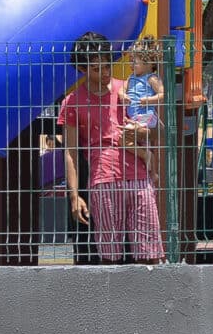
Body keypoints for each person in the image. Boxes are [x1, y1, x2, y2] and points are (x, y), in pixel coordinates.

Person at [60, 33, 162, 264]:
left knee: (149, 254)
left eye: (107, 65)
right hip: (104, 179)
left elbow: (155, 129)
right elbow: (71, 152)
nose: (105, 73)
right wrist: (74, 195)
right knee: (109, 256)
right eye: (97, 69)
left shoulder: (128, 89)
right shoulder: (73, 102)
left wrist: (141, 132)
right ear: (83, 69)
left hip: (138, 176)